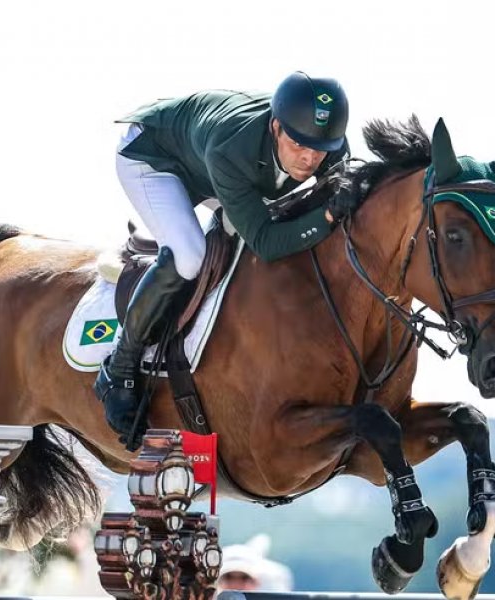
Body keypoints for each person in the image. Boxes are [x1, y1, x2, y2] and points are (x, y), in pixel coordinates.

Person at [95, 72, 362, 437]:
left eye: (320, 149)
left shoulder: (327, 144)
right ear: (276, 127)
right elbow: (266, 242)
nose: (309, 158)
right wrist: (327, 216)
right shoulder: (232, 147)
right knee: (189, 254)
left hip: (210, 165)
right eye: (299, 144)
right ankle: (119, 367)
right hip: (153, 157)